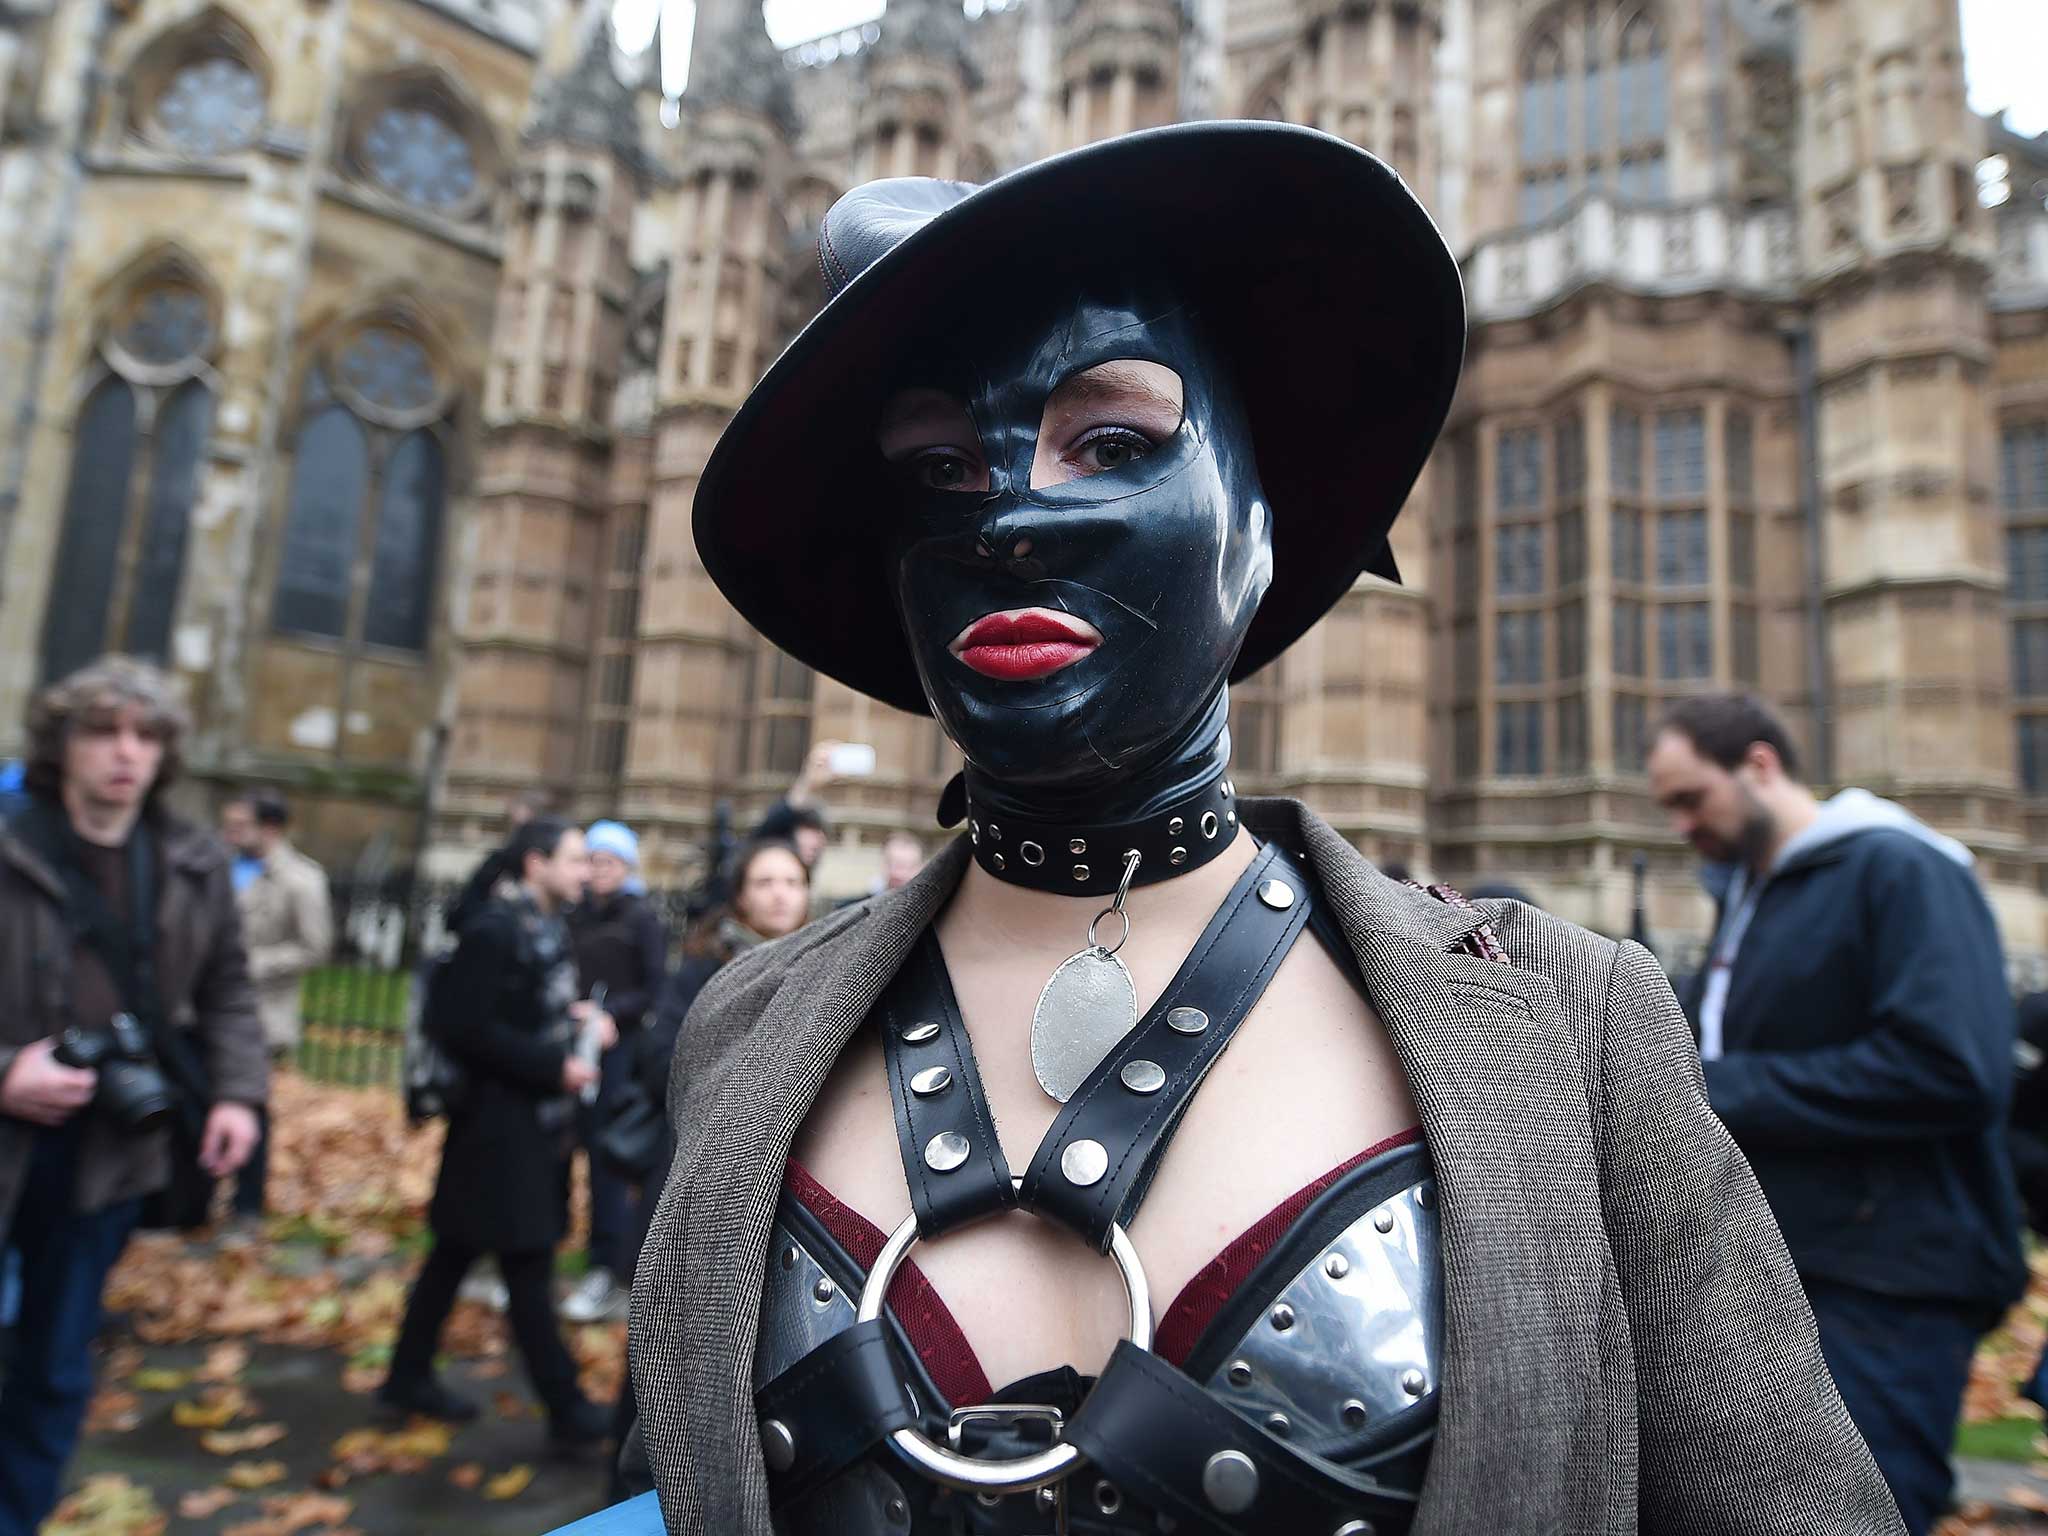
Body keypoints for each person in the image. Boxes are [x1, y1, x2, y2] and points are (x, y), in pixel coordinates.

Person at [573, 123, 1897, 1536]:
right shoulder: (745, 1030)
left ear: (1273, 518)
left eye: (1116, 442)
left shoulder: (1576, 1031)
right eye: (942, 471)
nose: (1016, 513)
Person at [1647, 691, 2025, 1535]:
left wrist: (1715, 1089)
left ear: (1760, 765)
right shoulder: (1757, 894)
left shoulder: (1900, 868)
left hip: (1892, 1276)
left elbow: (1951, 1066)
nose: (1679, 826)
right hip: (1797, 1258)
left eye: (1689, 798)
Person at [0, 657, 267, 1532]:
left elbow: (229, 989)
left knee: (56, 1361)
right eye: (103, 731)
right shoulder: (12, 837)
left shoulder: (189, 861)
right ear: (60, 743)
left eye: (146, 736)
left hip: (106, 1157)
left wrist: (236, 1096)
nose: (125, 753)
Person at [379, 817, 615, 1449]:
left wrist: (574, 1018)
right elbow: (465, 1028)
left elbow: (516, 1008)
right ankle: (565, 1407)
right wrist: (553, 1064)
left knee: (455, 1252)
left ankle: (406, 1374)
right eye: (573, 859)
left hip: (520, 1126)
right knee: (527, 1262)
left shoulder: (539, 928)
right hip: (496, 1128)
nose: (585, 872)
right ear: (535, 865)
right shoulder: (495, 929)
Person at [606, 838, 813, 1502]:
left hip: (789, 1182)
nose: (781, 893)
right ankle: (639, 1480)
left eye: (792, 880)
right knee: (668, 1331)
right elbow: (661, 1055)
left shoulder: (831, 965)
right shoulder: (703, 968)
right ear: (741, 895)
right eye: (766, 881)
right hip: (695, 1177)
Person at [563, 820, 667, 1325]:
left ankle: (607, 1265)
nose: (599, 870)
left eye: (608, 862)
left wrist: (610, 1014)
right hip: (568, 1045)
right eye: (593, 860)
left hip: (616, 1048)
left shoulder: (641, 917)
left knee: (607, 1158)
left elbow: (652, 988)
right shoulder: (575, 913)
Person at [218, 789, 332, 1224]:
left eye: (239, 826)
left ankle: (246, 1204)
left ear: (270, 828)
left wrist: (251, 964)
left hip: (261, 1013)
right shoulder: (220, 868)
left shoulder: (301, 880)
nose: (229, 834)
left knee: (250, 1106)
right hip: (208, 1007)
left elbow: (314, 947)